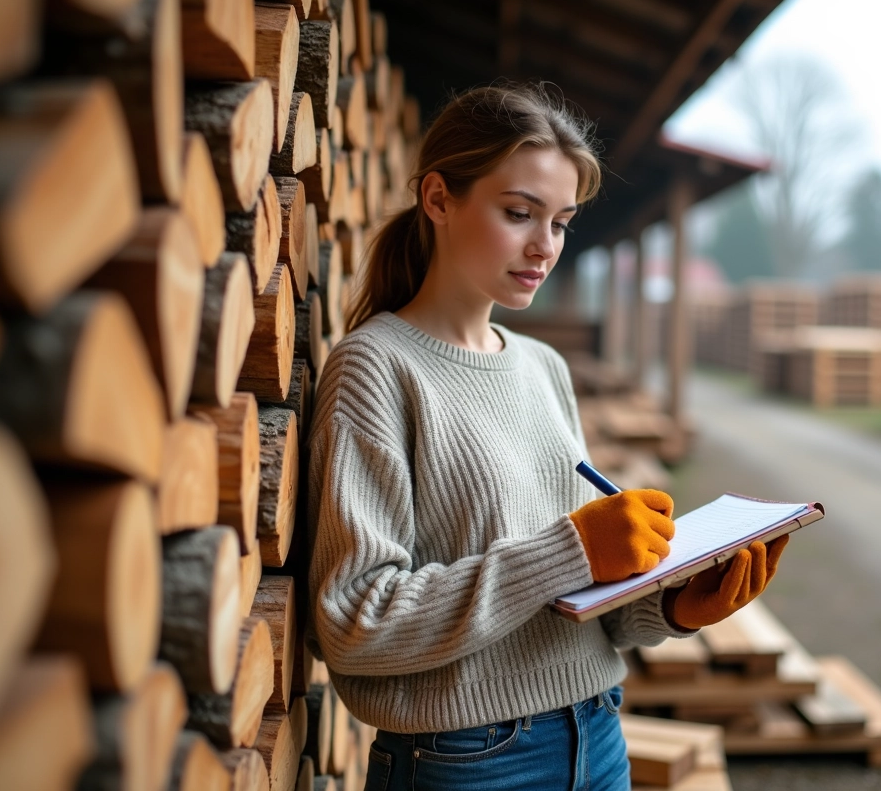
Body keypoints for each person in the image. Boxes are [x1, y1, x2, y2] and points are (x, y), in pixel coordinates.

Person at [306, 83, 788, 791]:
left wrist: (673, 605)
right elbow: (354, 620)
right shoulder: (375, 369)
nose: (545, 246)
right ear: (438, 199)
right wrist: (571, 549)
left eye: (560, 222)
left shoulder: (544, 368)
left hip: (598, 735)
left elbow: (574, 601)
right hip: (465, 763)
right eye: (519, 213)